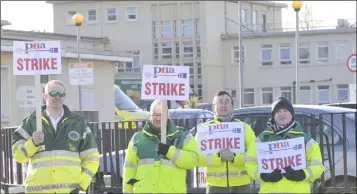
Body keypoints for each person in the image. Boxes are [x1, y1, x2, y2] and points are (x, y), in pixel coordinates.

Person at [11, 80, 100, 194]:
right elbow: (18, 156)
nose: (57, 97)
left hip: (69, 191)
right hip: (38, 190)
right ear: (45, 96)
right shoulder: (31, 122)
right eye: (53, 94)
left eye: (60, 94)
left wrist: (82, 183)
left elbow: (92, 158)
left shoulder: (78, 123)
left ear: (64, 97)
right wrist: (33, 143)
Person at [245, 96, 325, 193]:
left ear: (291, 114)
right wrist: (263, 175)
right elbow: (250, 164)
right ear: (273, 115)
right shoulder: (262, 139)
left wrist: (302, 174)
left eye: (285, 110)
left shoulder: (305, 139)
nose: (282, 114)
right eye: (278, 111)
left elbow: (317, 166)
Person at [122, 100, 199, 193]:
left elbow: (192, 160)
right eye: (154, 115)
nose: (158, 118)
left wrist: (170, 152)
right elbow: (129, 171)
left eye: (161, 115)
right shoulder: (137, 139)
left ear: (168, 115)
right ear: (150, 116)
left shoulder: (183, 135)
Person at [195, 91, 256, 193]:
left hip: (242, 185)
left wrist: (234, 157)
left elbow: (254, 155)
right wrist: (219, 157)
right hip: (215, 186)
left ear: (232, 106)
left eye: (227, 101)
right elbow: (196, 158)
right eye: (220, 102)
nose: (224, 105)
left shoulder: (245, 128)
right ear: (213, 107)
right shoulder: (204, 129)